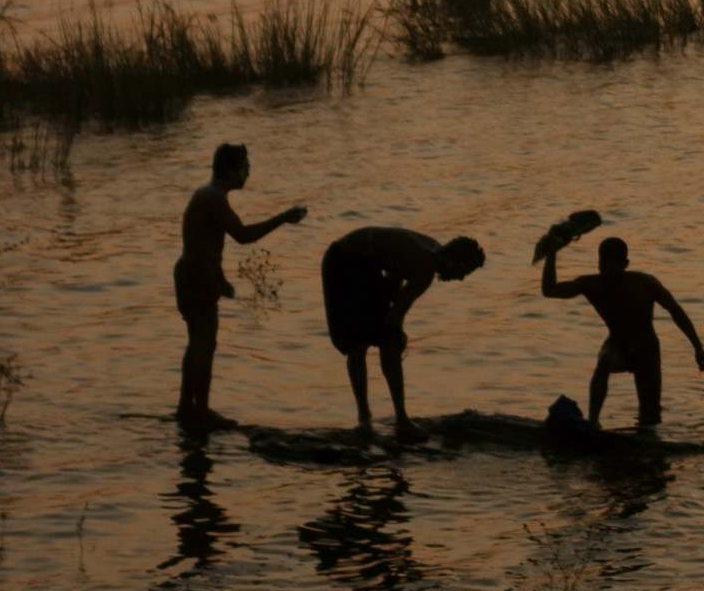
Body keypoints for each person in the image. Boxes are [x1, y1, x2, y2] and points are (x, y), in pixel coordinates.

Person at [173, 143, 306, 429]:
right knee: (204, 344)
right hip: (196, 277)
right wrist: (283, 218)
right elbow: (243, 236)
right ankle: (201, 411)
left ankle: (187, 407)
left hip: (195, 275)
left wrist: (220, 280)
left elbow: (207, 242)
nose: (249, 173)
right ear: (231, 171)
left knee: (197, 342)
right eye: (245, 167)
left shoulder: (208, 196)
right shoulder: (213, 198)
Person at [320, 226, 486, 439]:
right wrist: (398, 334)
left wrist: (389, 315)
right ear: (453, 261)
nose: (461, 278)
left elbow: (393, 275)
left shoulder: (432, 250)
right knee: (364, 343)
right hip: (342, 261)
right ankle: (384, 419)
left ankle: (386, 418)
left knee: (385, 339)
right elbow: (394, 316)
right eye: (463, 272)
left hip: (365, 263)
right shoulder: (426, 267)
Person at [542, 236, 704, 427]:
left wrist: (698, 348)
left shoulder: (645, 283)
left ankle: (646, 436)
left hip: (647, 350)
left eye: (613, 262)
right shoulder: (590, 284)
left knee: (650, 414)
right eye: (603, 262)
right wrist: (551, 254)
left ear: (625, 264)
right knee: (604, 362)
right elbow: (550, 290)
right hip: (617, 345)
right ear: (598, 262)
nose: (607, 267)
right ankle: (593, 422)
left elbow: (675, 310)